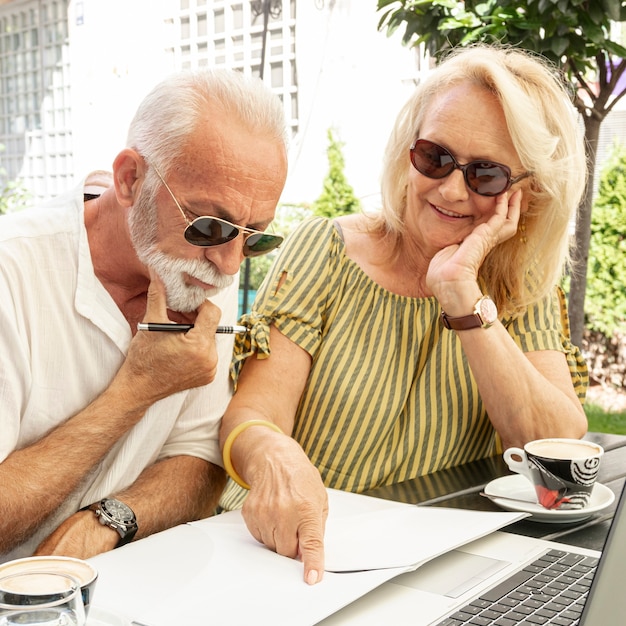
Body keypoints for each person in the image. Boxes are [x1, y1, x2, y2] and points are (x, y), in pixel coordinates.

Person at [217, 44, 589, 585]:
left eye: (484, 175)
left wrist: (462, 295)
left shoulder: (518, 286)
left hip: (430, 567)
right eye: (434, 156)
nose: (451, 188)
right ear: (406, 151)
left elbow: (554, 451)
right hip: (289, 555)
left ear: (524, 196)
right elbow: (254, 416)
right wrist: (271, 453)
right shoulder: (324, 250)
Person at [0, 68, 288, 563]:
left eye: (256, 236)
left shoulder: (198, 267)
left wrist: (108, 521)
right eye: (207, 225)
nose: (229, 264)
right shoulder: (13, 271)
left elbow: (200, 458)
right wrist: (137, 389)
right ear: (130, 178)